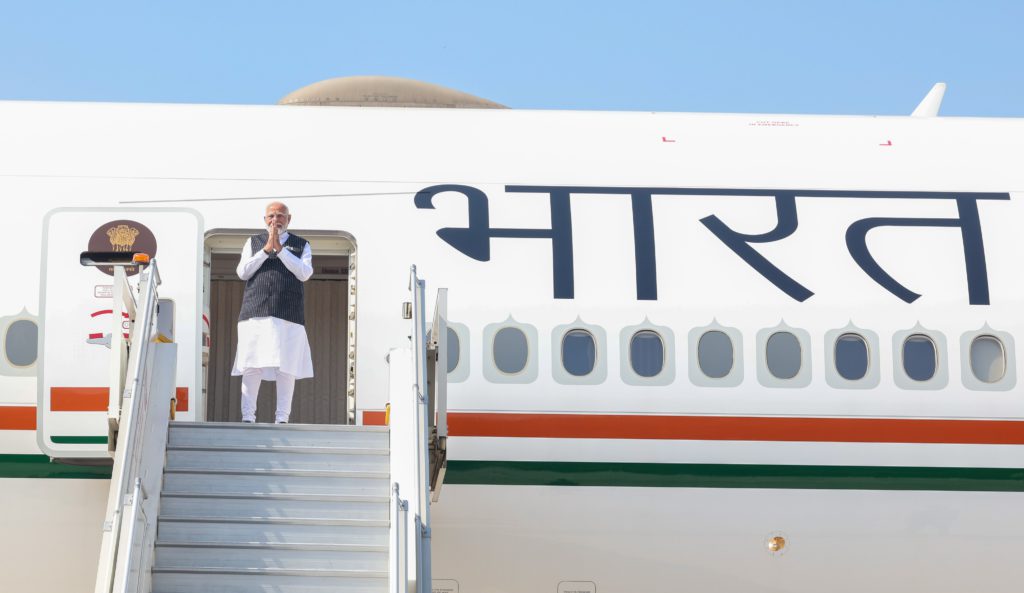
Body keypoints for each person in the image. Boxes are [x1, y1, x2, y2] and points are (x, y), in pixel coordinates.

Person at [231, 201, 314, 423]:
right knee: (251, 364)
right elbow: (243, 272)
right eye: (271, 216)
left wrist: (281, 251)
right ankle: (248, 416)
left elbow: (304, 273)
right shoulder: (253, 242)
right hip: (255, 312)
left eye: (280, 216)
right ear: (265, 219)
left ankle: (282, 418)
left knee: (287, 366)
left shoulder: (301, 244)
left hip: (289, 314)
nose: (275, 220)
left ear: (289, 219)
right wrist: (266, 250)